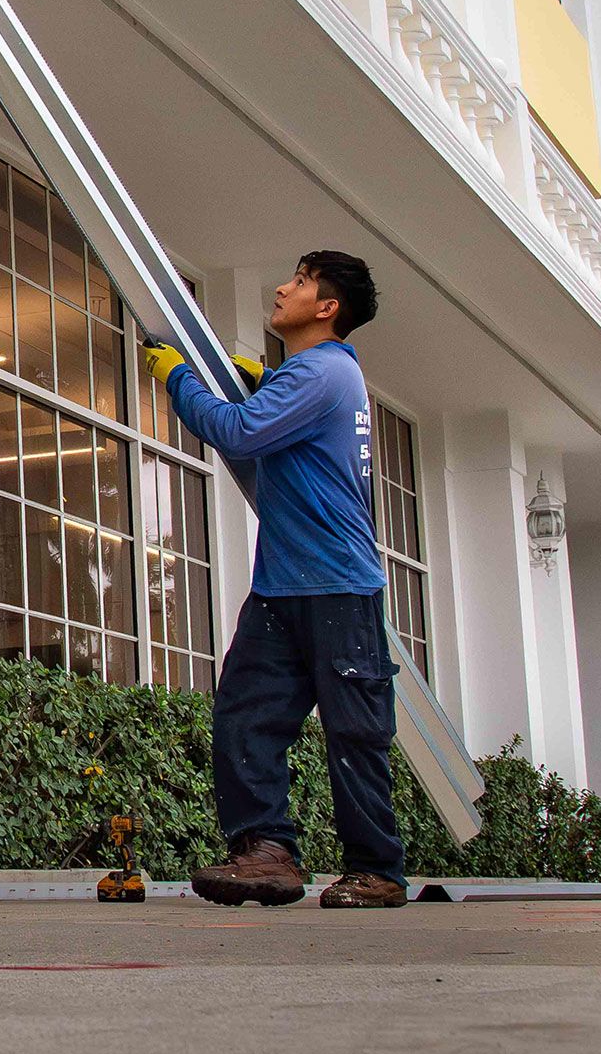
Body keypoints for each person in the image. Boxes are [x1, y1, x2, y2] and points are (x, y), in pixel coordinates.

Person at [140, 251, 405, 910]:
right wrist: (264, 383)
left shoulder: (323, 371)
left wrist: (178, 379)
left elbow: (238, 431)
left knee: (354, 734)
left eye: (301, 281)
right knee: (243, 717)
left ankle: (377, 872)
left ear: (327, 307)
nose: (283, 287)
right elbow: (275, 418)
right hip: (282, 587)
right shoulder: (312, 375)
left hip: (339, 587)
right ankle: (267, 855)